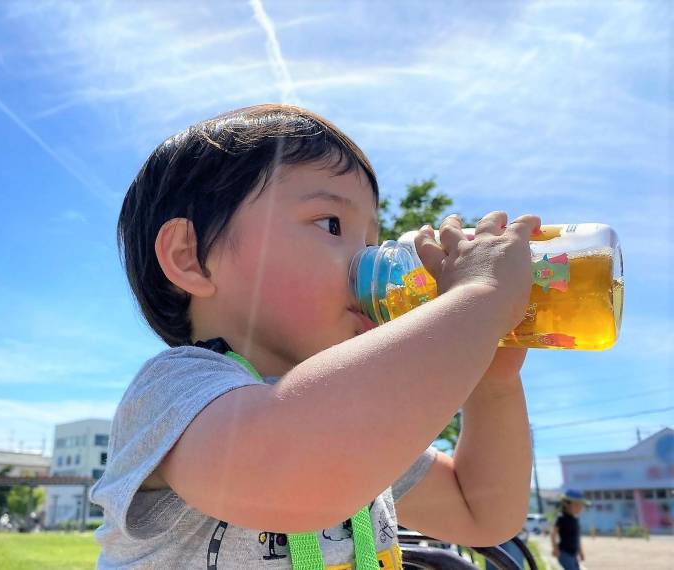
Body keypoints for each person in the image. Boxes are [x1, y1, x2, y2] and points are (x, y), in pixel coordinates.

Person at [90, 103, 541, 569]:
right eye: (331, 224)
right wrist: (479, 297)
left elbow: (483, 512)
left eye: (371, 242)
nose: (371, 263)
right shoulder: (176, 391)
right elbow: (295, 472)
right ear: (191, 257)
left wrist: (492, 380)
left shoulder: (356, 433)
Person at [551, 490, 588, 570]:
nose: (580, 508)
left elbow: (577, 538)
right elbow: (553, 534)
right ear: (566, 504)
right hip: (564, 553)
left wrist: (580, 551)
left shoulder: (575, 519)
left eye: (581, 506)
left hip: (573, 554)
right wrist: (555, 548)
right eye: (577, 505)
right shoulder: (561, 518)